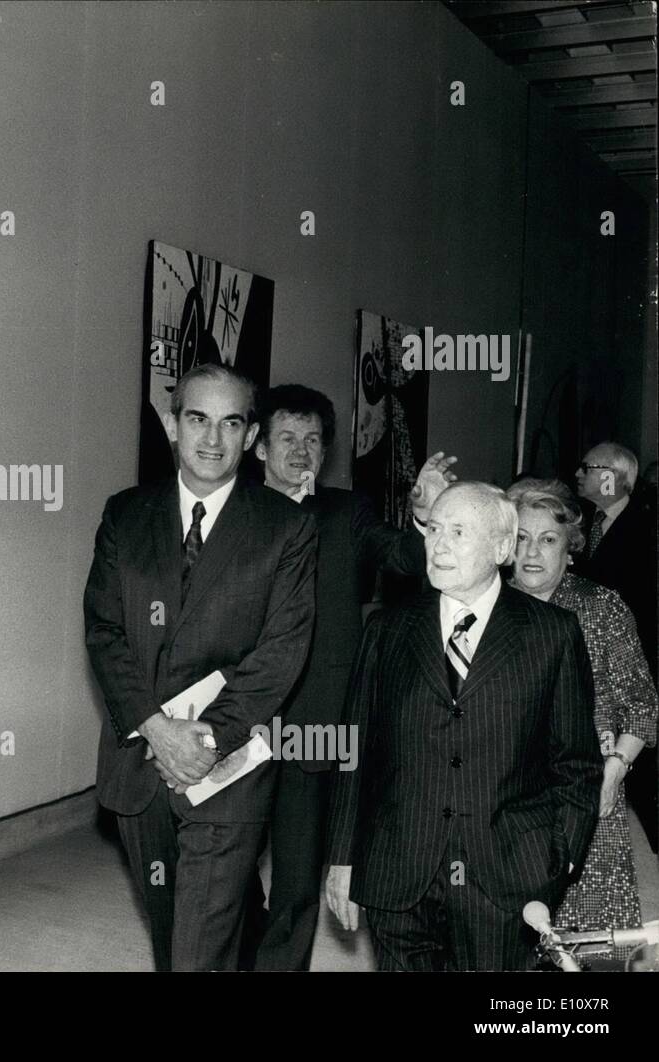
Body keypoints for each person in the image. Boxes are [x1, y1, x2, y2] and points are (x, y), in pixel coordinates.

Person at [83, 363, 317, 971]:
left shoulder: (285, 527)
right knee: (173, 941)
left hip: (229, 767)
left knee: (198, 950)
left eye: (230, 422)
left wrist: (207, 737)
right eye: (198, 419)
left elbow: (282, 650)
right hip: (141, 761)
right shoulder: (124, 515)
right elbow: (105, 632)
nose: (212, 440)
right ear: (171, 425)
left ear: (250, 435)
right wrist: (159, 730)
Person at [324, 482, 600, 971]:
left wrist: (560, 861)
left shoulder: (551, 633)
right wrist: (343, 857)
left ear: (500, 549)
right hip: (399, 868)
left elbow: (576, 763)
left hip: (506, 873)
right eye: (433, 530)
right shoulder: (387, 629)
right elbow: (354, 750)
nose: (440, 544)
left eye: (458, 532)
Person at [240, 383, 454, 971]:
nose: (302, 451)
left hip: (314, 727)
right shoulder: (232, 513)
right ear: (258, 445)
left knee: (296, 878)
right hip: (233, 722)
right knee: (222, 870)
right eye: (287, 438)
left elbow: (409, 560)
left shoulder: (346, 513)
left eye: (313, 440)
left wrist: (424, 515)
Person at [506, 479, 657, 950]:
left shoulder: (601, 607)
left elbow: (643, 703)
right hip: (506, 797)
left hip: (588, 792)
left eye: (548, 539)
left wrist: (613, 773)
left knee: (588, 943)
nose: (532, 551)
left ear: (570, 549)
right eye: (520, 538)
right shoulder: (490, 608)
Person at [575, 441, 658, 854]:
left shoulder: (646, 528)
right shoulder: (590, 523)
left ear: (613, 477)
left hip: (634, 662)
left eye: (587, 467)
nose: (578, 473)